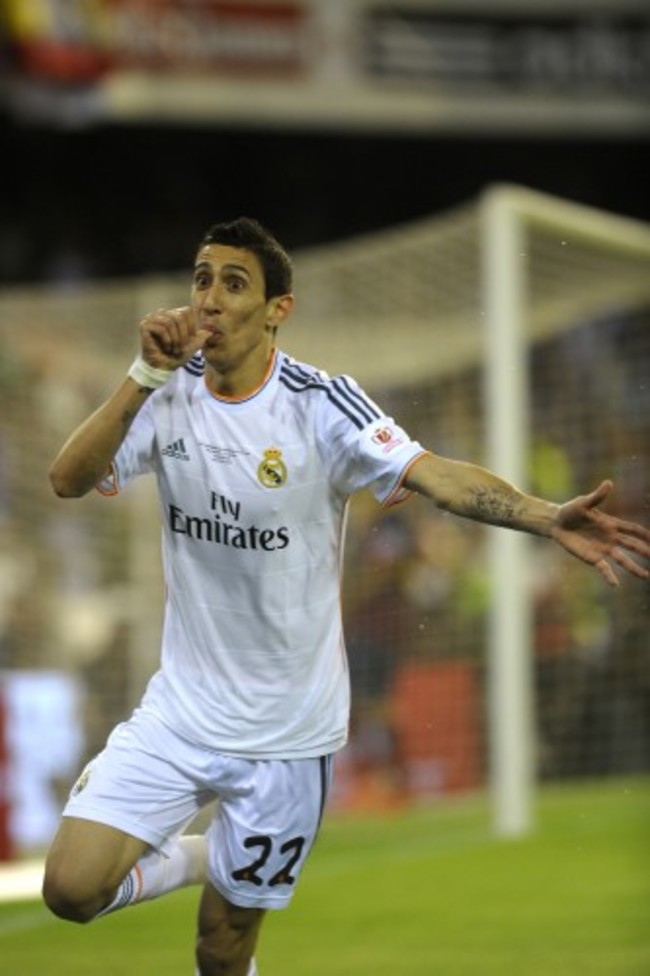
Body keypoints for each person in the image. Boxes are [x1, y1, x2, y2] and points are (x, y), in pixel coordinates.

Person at [42, 217, 650, 976]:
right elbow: (67, 480)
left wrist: (542, 515)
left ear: (277, 310)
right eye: (202, 279)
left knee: (222, 951)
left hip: (290, 738)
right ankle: (213, 858)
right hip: (183, 713)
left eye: (235, 283)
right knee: (69, 888)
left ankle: (233, 870)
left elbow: (438, 476)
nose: (211, 298)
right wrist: (140, 376)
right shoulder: (167, 395)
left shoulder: (321, 405)